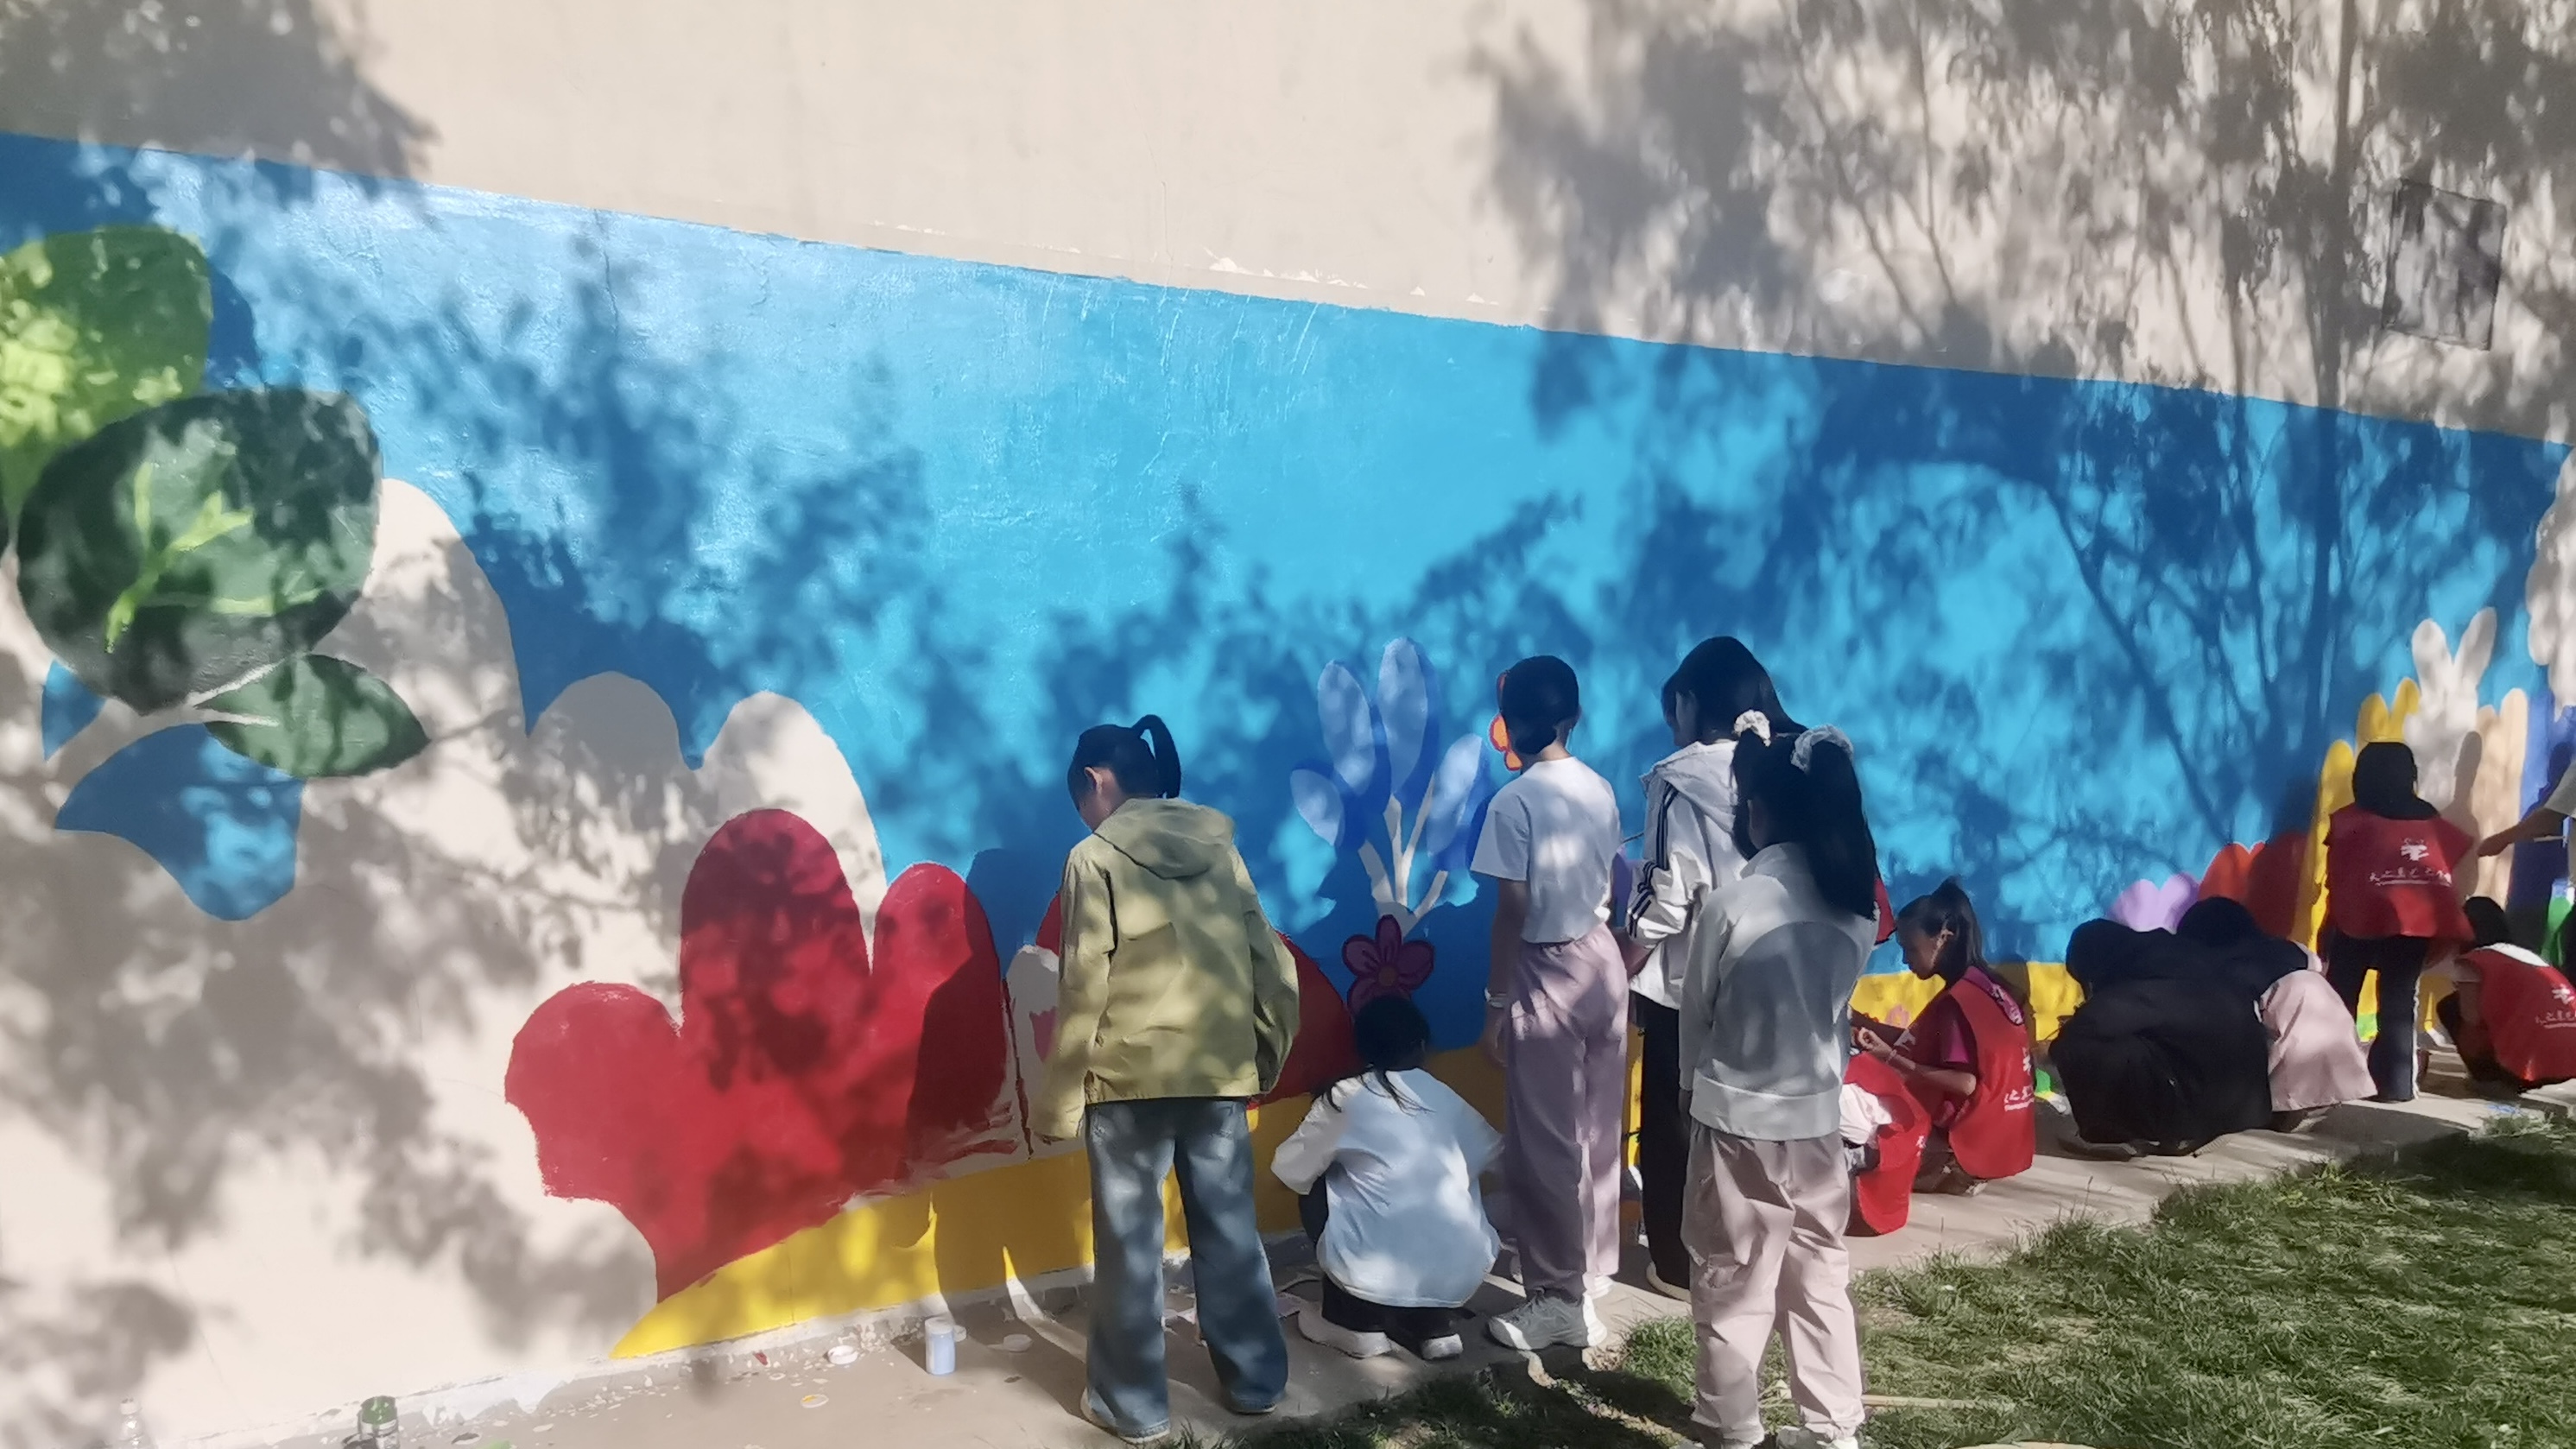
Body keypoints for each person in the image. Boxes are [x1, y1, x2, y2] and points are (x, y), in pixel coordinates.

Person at [1035, 716, 1301, 1446]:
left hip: (1128, 1084)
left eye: (1079, 798)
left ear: (1094, 780)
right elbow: (1268, 961)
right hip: (1217, 1072)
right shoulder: (1220, 847)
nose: (1082, 814)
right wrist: (1265, 1055)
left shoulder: (1092, 859)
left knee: (1130, 1248)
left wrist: (1058, 1101)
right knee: (1230, 1231)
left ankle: (1132, 1406)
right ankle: (1256, 1383)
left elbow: (1083, 987)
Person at [1676, 718, 1880, 1449]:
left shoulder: (1733, 905)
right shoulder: (1857, 913)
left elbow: (1696, 1015)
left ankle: (1729, 1424)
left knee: (1732, 1279)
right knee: (1819, 1273)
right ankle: (1832, 1426)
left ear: (1758, 811)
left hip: (1736, 1124)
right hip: (1817, 1125)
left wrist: (1688, 1092)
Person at [1471, 655, 1628, 1351]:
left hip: (1545, 968)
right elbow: (1611, 879)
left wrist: (1496, 1002)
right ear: (1573, 717)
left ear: (1507, 725)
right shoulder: (1598, 786)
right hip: (1601, 960)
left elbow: (1512, 909)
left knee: (1544, 1144)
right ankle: (1589, 1271)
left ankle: (1557, 1297)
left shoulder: (1513, 803)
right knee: (1595, 1130)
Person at [1621, 637, 1786, 1298]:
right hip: (1776, 979)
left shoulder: (1681, 779)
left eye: (1673, 710)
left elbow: (1665, 894)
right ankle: (1752, 1252)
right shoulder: (1785, 766)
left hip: (1692, 986)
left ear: (1689, 703)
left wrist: (1620, 957)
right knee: (1750, 1124)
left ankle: (1679, 1263)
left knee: (1676, 1126)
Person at [1270, 996, 1503, 1362]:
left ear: (1362, 1049)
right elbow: (1499, 1158)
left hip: (1368, 1274)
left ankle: (1353, 1323)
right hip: (1461, 1276)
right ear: (1423, 1045)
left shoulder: (1345, 1096)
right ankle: (1434, 1327)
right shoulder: (1449, 1099)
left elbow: (1290, 1170)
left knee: (1315, 1178)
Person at [1851, 880, 2035, 1194]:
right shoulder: (1986, 988)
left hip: (1962, 1142)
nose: (1905, 960)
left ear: (1943, 938)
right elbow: (1923, 1043)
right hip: (2001, 1139)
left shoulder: (1956, 1005)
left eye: (1911, 949)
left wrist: (1890, 1058)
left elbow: (1966, 1083)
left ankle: (1946, 1166)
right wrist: (1862, 1022)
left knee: (1851, 1136)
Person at [2321, 741, 2474, 1103]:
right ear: (2411, 776)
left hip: (2358, 919)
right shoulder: (2433, 823)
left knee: (2341, 994)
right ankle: (2397, 1086)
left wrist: (2330, 924)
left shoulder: (2351, 821)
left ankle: (2331, 1082)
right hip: (2415, 925)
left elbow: (2337, 878)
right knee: (2399, 999)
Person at [2052, 921, 2273, 1154]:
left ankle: (2108, 1135)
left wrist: (2054, 1050)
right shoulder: (2180, 961)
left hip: (2201, 1108)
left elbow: (2093, 1022)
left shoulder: (2149, 977)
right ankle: (2196, 1128)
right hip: (2241, 1105)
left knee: (2079, 1045)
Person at [2175, 896, 2373, 1131]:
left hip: (2291, 1073)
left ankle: (2279, 1106)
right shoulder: (2293, 950)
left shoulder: (2232, 968)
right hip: (2340, 1060)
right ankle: (2306, 1104)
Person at [2438, 897, 2576, 1091]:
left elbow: (2471, 1018)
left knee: (2449, 1006)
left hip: (2529, 1066)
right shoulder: (2525, 955)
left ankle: (2488, 1077)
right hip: (2569, 1062)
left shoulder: (2473, 961)